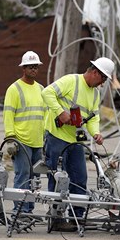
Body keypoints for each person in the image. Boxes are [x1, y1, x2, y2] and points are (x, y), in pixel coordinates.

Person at [42, 57, 114, 230]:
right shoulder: (70, 81)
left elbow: (93, 116)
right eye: (103, 79)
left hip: (75, 141)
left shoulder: (95, 93)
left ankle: (77, 217)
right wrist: (60, 113)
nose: (103, 83)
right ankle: (57, 217)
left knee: (79, 178)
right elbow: (46, 93)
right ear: (95, 72)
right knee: (57, 177)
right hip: (57, 137)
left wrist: (95, 132)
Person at [3, 51, 46, 217]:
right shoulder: (14, 89)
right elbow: (8, 114)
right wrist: (10, 138)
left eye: (36, 67)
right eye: (30, 67)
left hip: (37, 142)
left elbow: (44, 115)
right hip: (21, 141)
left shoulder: (41, 89)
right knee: (22, 177)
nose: (34, 69)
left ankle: (28, 211)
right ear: (24, 68)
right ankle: (20, 212)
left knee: (35, 179)